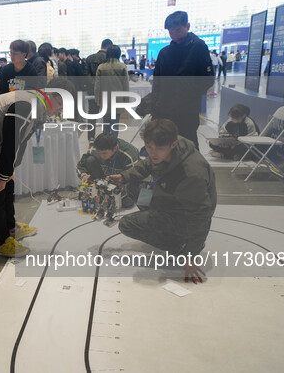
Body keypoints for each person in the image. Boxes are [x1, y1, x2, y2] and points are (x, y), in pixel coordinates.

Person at [0, 78, 73, 257]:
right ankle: (2, 241)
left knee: (7, 185)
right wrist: (2, 177)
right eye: (60, 104)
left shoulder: (38, 105)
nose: (61, 109)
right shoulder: (27, 106)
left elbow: (22, 140)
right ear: (51, 95)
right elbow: (10, 144)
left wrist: (10, 172)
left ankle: (11, 227)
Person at [108, 119, 216, 284]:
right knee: (134, 185)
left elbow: (201, 217)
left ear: (173, 144)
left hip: (184, 215)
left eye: (158, 149)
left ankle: (178, 246)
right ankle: (159, 223)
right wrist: (124, 176)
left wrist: (191, 256)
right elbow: (148, 163)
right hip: (172, 199)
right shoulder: (165, 145)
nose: (153, 153)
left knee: (127, 225)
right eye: (149, 147)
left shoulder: (192, 174)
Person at [151, 11, 214, 149]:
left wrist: (189, 93)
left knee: (188, 145)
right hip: (165, 109)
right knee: (165, 146)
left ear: (188, 26)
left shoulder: (198, 47)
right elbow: (157, 83)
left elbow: (208, 79)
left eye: (178, 30)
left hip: (187, 109)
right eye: (171, 32)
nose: (175, 35)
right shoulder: (164, 53)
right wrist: (155, 107)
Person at [77, 133, 139, 208]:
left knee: (127, 202)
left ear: (114, 149)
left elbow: (133, 179)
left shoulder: (129, 156)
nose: (101, 156)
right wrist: (84, 175)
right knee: (90, 160)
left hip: (121, 183)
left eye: (104, 153)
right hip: (104, 178)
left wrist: (112, 194)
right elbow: (80, 165)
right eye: (99, 153)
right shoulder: (95, 150)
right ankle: (100, 189)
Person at [94, 45, 129, 134]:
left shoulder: (101, 67)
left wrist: (97, 99)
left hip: (105, 100)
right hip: (118, 100)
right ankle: (113, 145)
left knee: (106, 124)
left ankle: (105, 144)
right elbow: (125, 85)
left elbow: (97, 85)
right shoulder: (122, 67)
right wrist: (126, 100)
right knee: (115, 125)